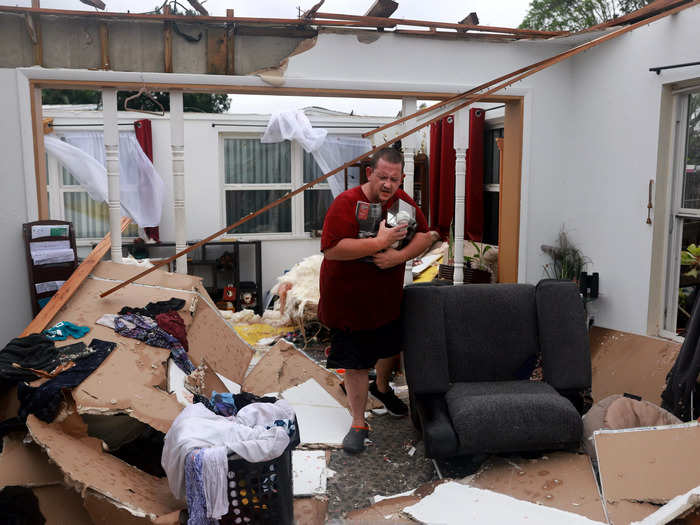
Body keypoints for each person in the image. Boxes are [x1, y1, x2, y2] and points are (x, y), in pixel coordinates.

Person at [318, 147, 440, 453]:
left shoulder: (404, 205)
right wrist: (380, 241)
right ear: (370, 173)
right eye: (382, 177)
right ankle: (358, 422)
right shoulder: (345, 204)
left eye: (394, 179)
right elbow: (332, 249)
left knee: (390, 348)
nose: (387, 184)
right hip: (349, 302)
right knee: (357, 363)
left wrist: (397, 255)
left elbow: (428, 235)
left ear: (402, 178)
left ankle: (382, 387)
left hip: (384, 301)